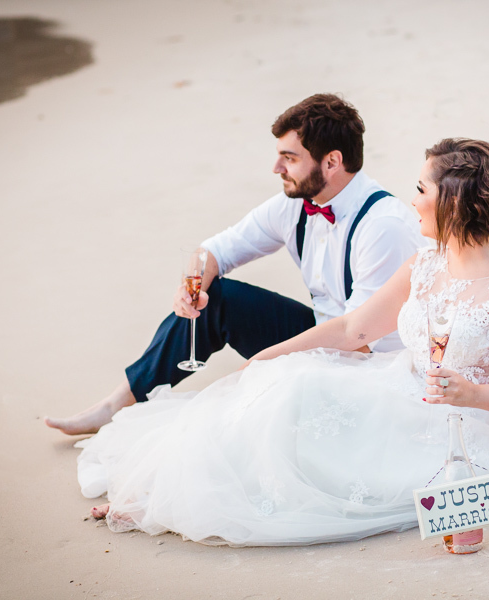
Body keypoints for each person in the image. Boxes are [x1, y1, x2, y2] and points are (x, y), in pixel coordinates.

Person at [75, 138, 489, 546]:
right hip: (397, 389)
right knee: (287, 387)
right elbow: (355, 329)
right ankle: (165, 492)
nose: (413, 200)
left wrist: (475, 395)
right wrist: (270, 356)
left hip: (464, 430)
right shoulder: (429, 260)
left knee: (303, 422)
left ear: (452, 203)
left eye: (421, 189)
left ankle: (179, 499)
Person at [45, 94, 425, 435]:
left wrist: (264, 362)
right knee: (219, 296)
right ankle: (117, 403)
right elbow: (215, 251)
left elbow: (357, 338)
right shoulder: (294, 204)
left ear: (332, 162)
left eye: (289, 158)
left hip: (374, 366)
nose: (277, 167)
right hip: (327, 334)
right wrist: (191, 285)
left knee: (232, 415)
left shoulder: (383, 226)